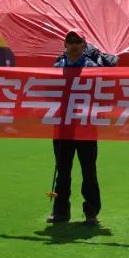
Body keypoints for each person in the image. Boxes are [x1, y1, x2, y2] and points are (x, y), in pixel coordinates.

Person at [48, 29, 102, 225]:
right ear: (65, 44)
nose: (73, 44)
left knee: (89, 171)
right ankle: (61, 211)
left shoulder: (93, 67)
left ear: (84, 45)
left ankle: (91, 212)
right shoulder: (56, 67)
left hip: (86, 127)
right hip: (63, 127)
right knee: (62, 171)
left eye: (77, 41)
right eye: (70, 41)